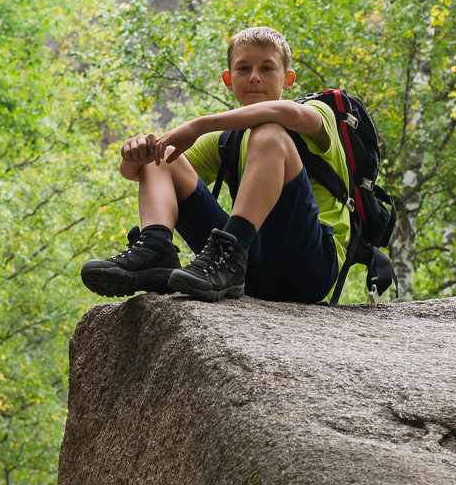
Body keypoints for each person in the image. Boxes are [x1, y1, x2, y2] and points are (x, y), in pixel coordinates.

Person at [80, 27, 350, 304]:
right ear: (228, 79)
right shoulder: (228, 140)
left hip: (308, 269)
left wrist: (198, 125)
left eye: (267, 68)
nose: (255, 77)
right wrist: (132, 157)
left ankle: (228, 253)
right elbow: (148, 169)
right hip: (241, 270)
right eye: (243, 69)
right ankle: (156, 249)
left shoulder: (318, 114)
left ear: (288, 79)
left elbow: (288, 112)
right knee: (165, 153)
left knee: (269, 132)